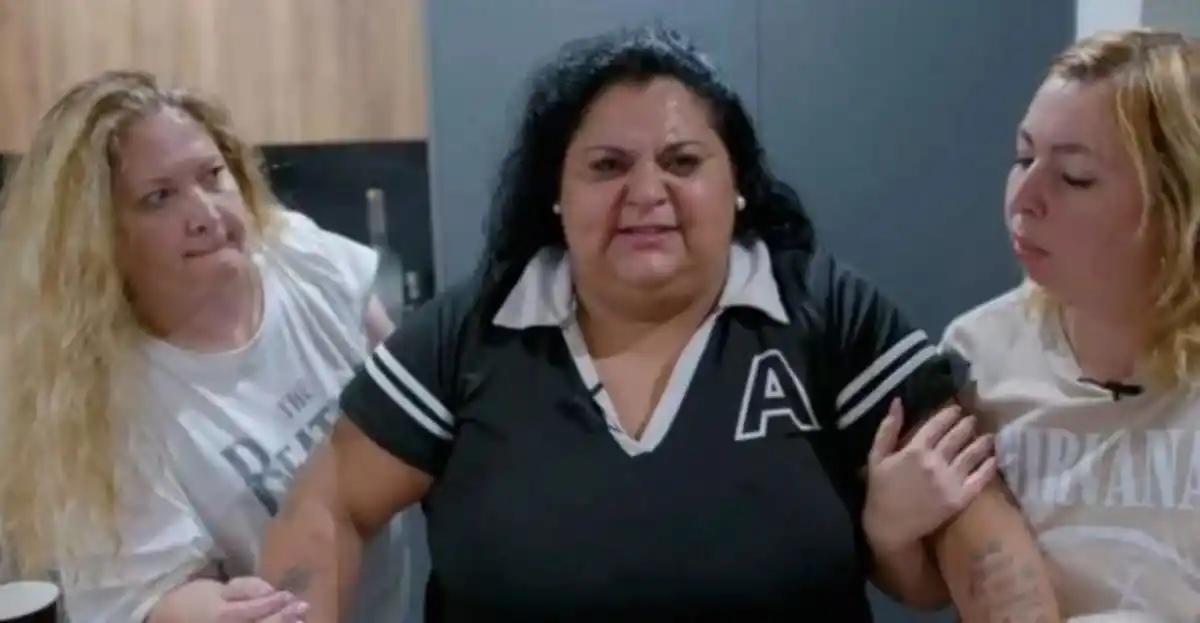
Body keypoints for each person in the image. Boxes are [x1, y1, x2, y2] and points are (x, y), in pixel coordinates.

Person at [260, 25, 1058, 621]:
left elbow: (981, 530)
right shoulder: (472, 331)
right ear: (557, 194)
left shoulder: (827, 314)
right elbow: (328, 502)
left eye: (682, 162)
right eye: (608, 166)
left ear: (737, 184)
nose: (647, 193)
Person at [0, 70, 426, 622]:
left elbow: (412, 398)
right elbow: (158, 598)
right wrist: (228, 612)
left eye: (212, 176)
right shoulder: (92, 405)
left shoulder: (299, 257)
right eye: (159, 197)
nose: (205, 214)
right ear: (98, 236)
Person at [942, 29, 1200, 621]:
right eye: (1022, 158)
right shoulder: (976, 354)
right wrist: (891, 528)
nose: (1023, 199)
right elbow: (932, 581)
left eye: (1075, 177)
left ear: (1177, 208)